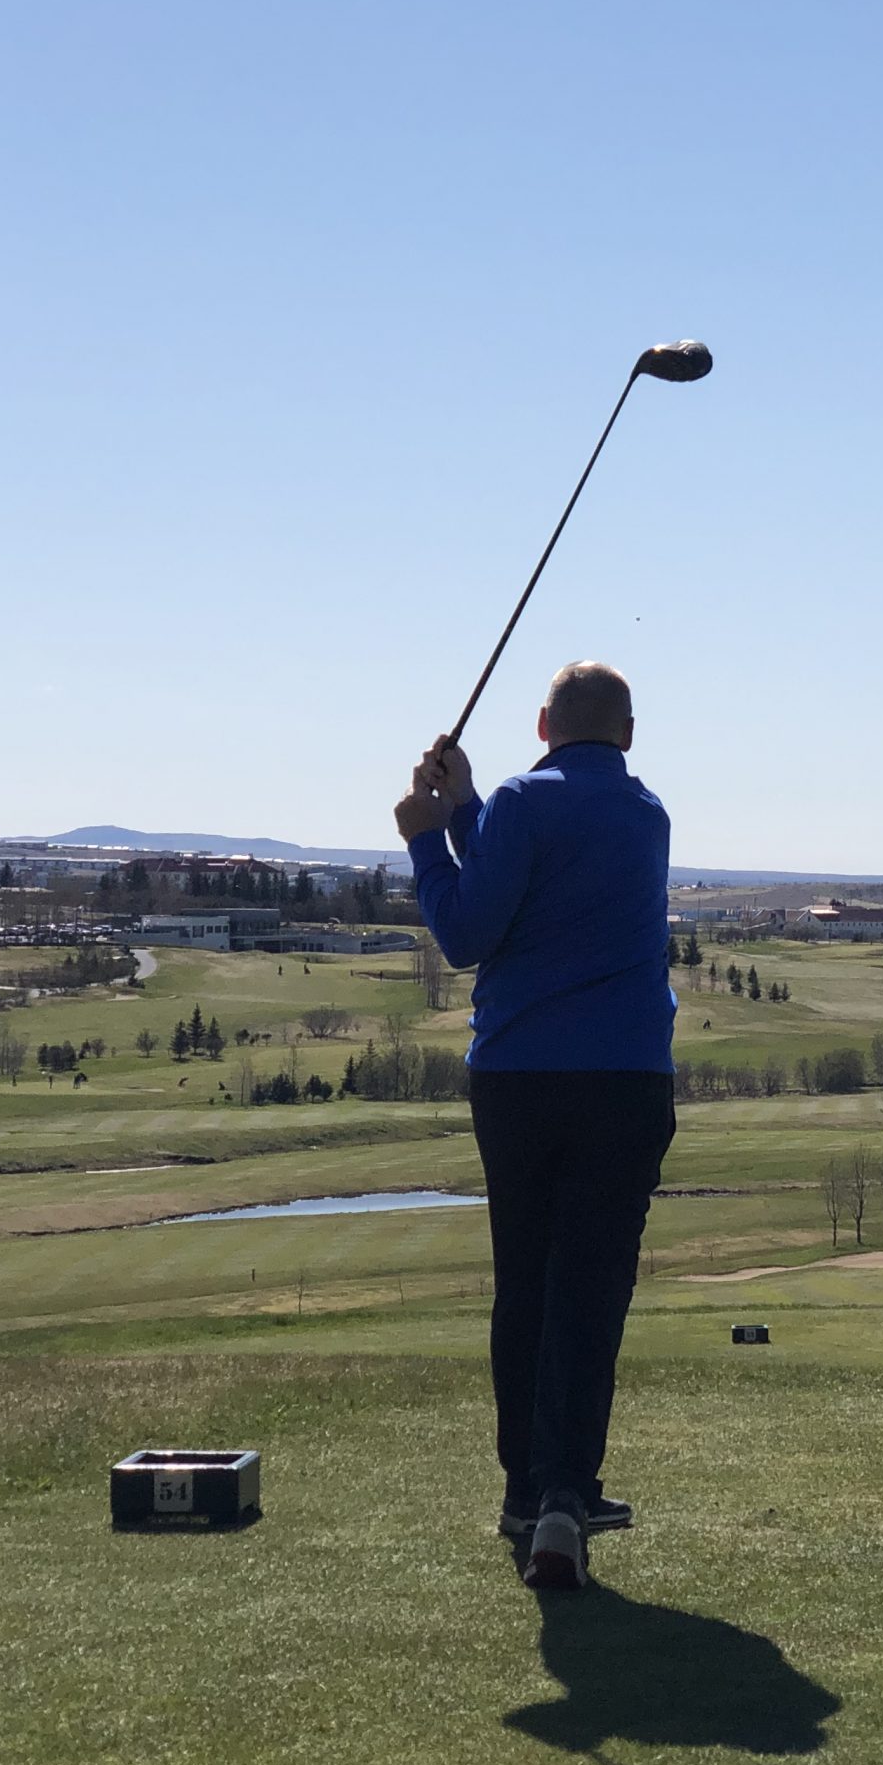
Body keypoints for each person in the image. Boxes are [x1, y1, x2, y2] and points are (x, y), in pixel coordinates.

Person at [396, 661, 676, 1592]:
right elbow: (528, 866)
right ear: (627, 735)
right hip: (626, 1080)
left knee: (526, 1282)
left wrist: (427, 838)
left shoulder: (521, 803)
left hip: (519, 1079)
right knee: (590, 1288)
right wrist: (466, 809)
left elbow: (470, 930)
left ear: (542, 726)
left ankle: (530, 1493)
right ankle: (564, 1493)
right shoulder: (647, 816)